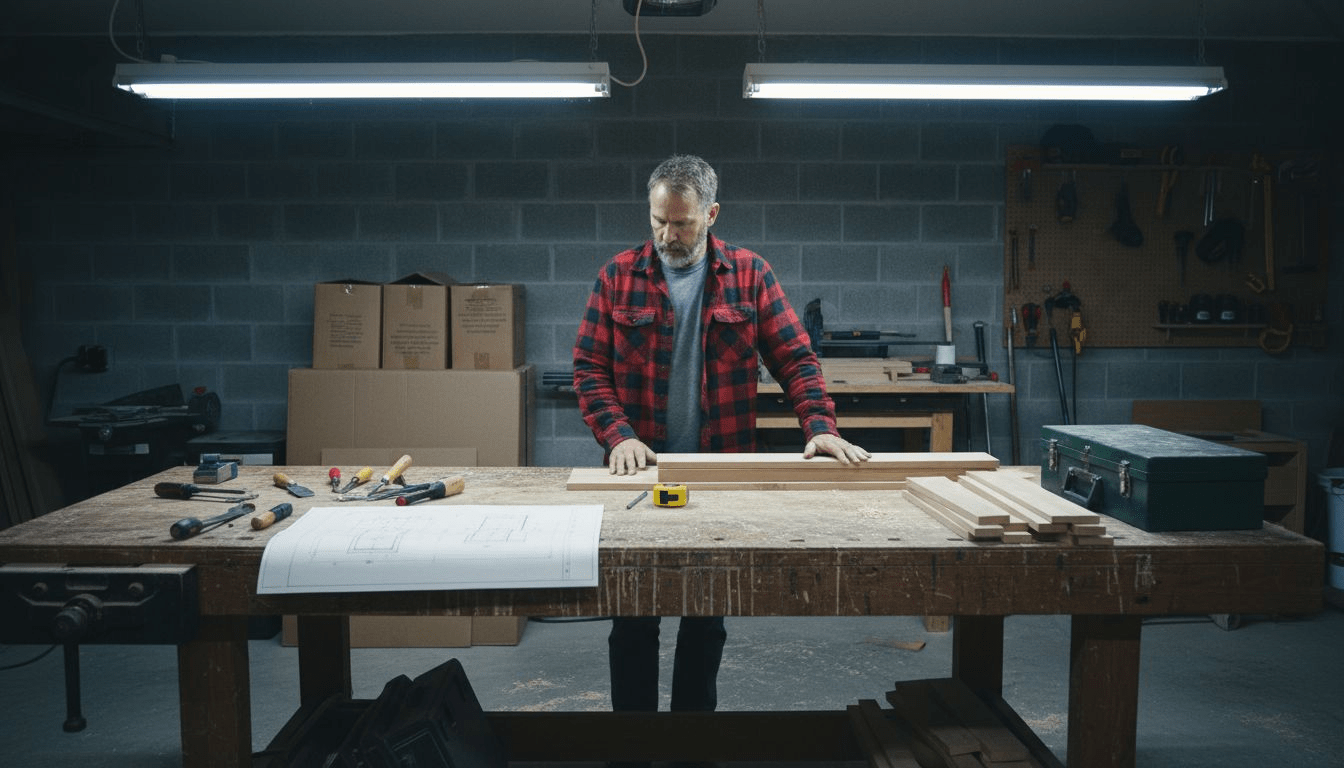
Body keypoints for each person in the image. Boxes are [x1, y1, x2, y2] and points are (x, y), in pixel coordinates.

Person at [572, 154, 870, 717]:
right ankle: (630, 747)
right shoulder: (617, 277)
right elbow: (589, 368)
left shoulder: (751, 275)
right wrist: (618, 436)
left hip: (719, 473)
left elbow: (797, 361)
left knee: (704, 619)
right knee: (633, 619)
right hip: (639, 475)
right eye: (658, 220)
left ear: (711, 213)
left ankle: (693, 745)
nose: (667, 234)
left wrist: (819, 427)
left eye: (681, 223)